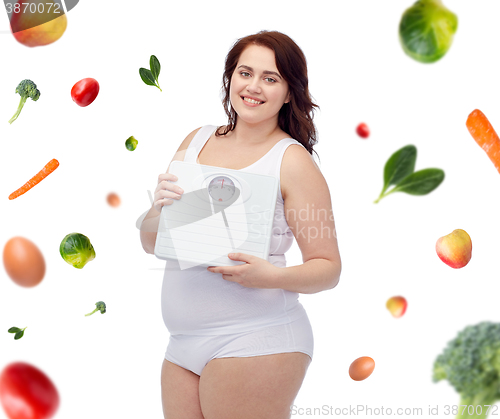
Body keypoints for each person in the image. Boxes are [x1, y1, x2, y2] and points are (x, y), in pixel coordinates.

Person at [139, 30, 341, 419]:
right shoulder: (196, 140)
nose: (253, 86)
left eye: (271, 78)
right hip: (181, 345)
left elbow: (328, 269)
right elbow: (153, 244)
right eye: (245, 73)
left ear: (289, 92)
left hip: (256, 340)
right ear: (229, 78)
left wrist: (269, 276)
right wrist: (156, 212)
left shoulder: (292, 162)